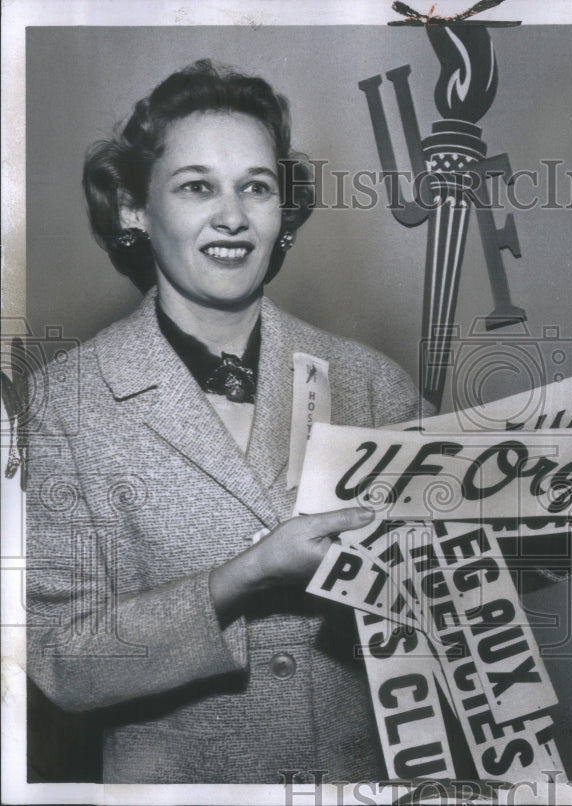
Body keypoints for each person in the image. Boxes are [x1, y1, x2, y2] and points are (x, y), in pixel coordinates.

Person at [26, 59, 421, 784]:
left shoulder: (373, 384)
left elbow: (468, 592)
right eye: (197, 186)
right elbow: (59, 661)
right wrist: (242, 578)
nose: (233, 216)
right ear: (134, 210)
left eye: (257, 187)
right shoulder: (62, 404)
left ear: (283, 212)